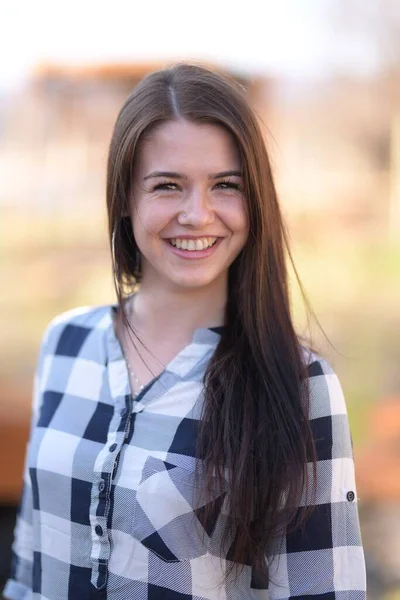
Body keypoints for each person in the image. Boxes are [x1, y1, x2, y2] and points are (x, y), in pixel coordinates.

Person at [4, 63, 367, 600]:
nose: (197, 214)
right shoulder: (66, 343)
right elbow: (26, 561)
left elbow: (323, 593)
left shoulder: (297, 383)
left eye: (225, 186)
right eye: (167, 186)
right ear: (126, 199)